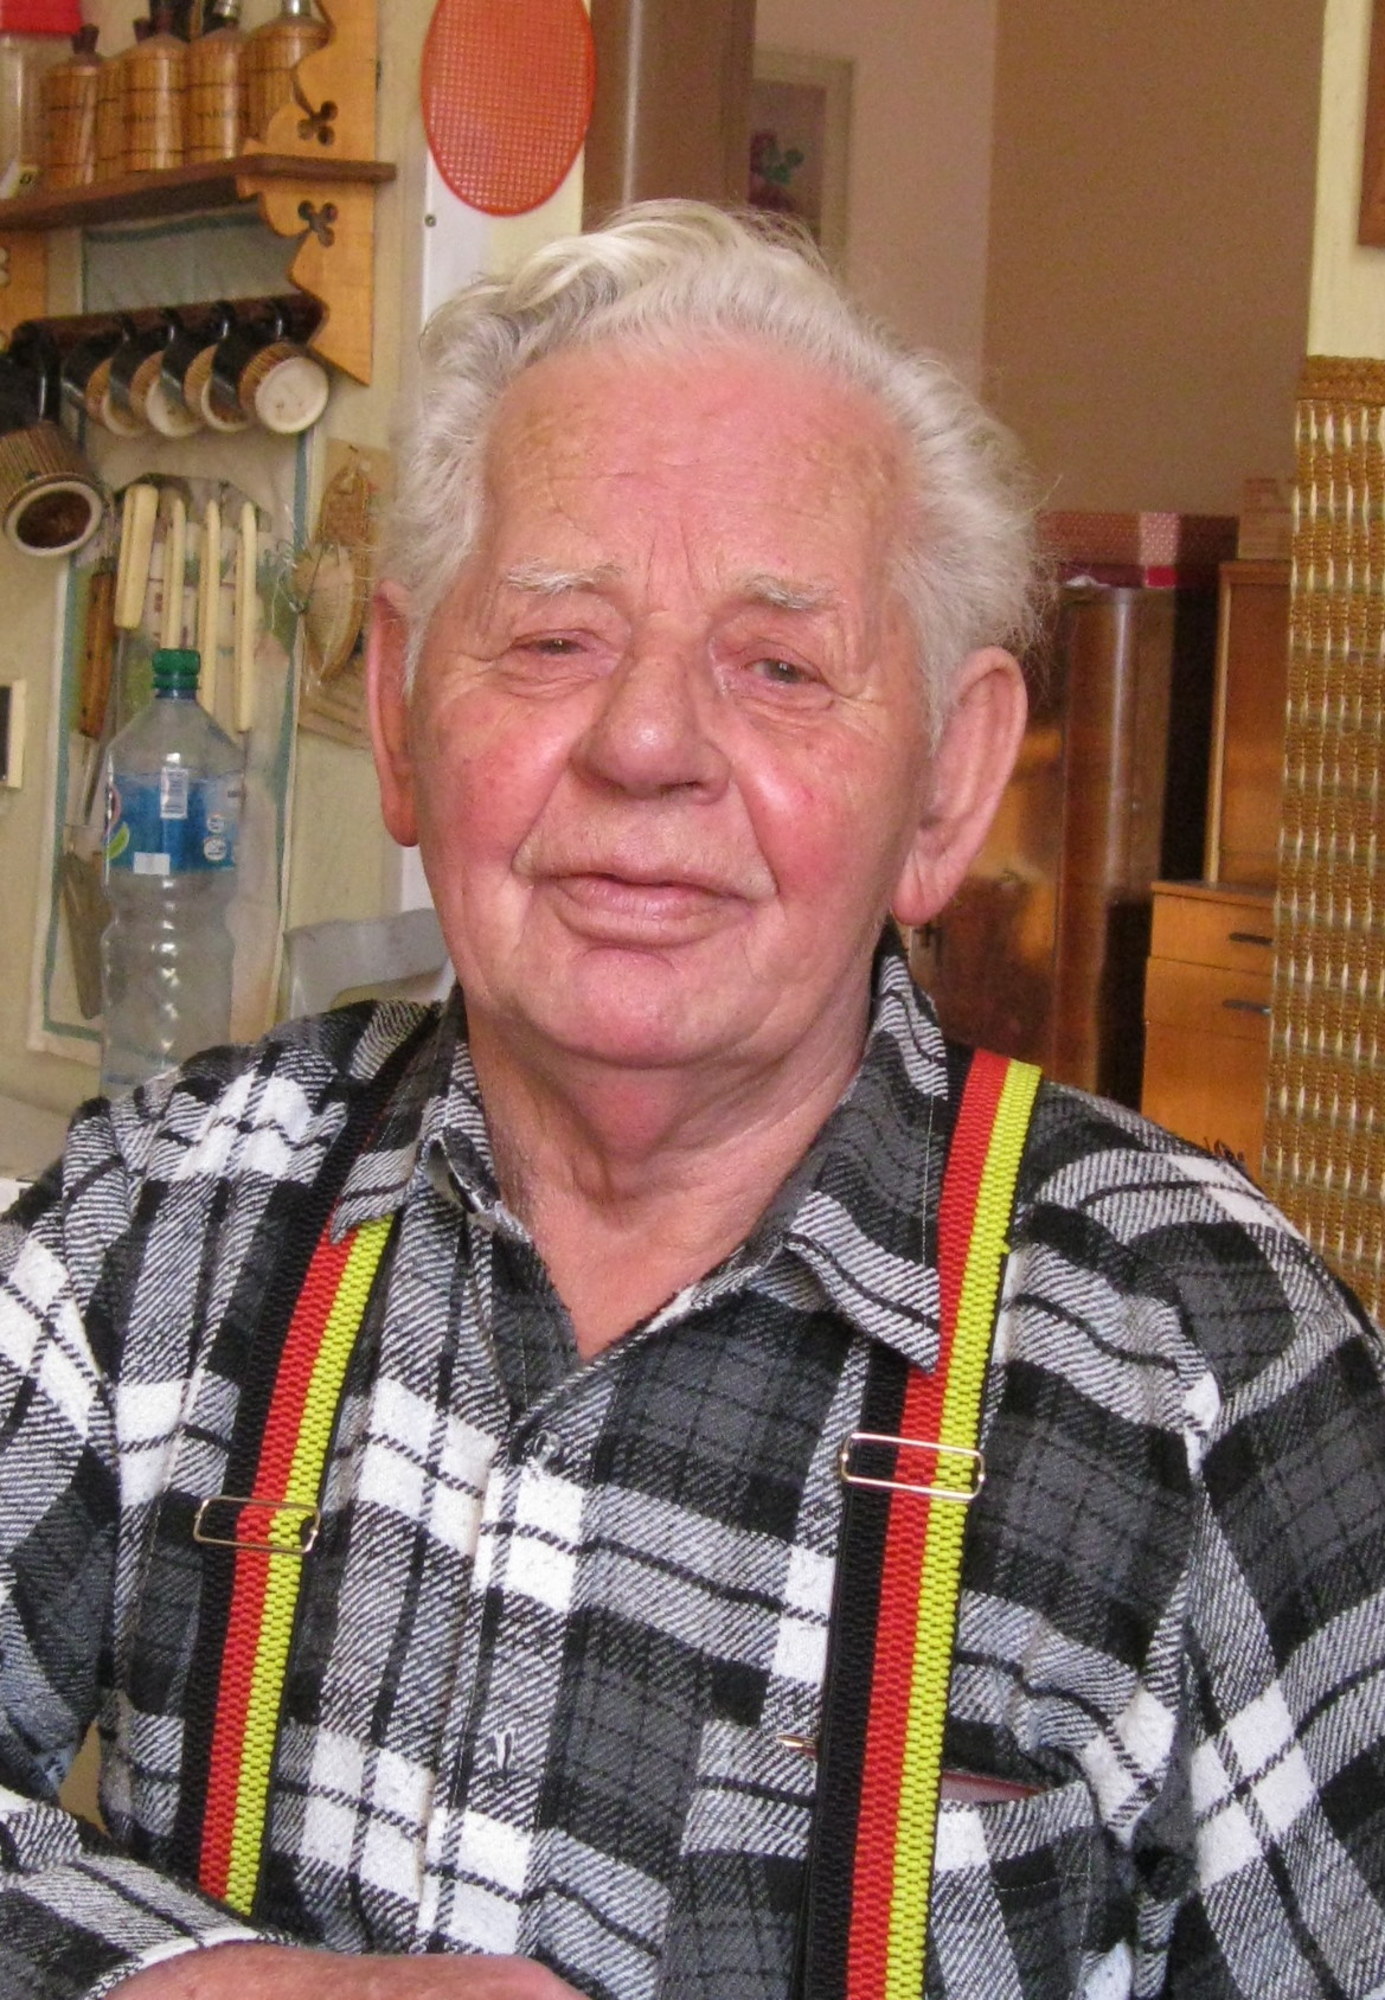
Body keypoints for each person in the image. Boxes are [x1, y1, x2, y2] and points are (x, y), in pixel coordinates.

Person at [2, 202, 1384, 2000]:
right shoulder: (160, 1218)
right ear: (404, 717)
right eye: (552, 641)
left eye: (779, 667)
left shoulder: (1210, 1375)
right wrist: (183, 1984)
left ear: (948, 784)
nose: (645, 744)